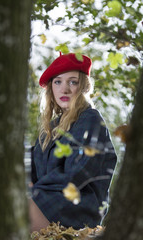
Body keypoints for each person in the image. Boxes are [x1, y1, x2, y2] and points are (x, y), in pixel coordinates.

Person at [29, 52, 117, 232]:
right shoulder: (52, 128)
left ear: (84, 87)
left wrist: (32, 190)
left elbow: (74, 174)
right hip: (47, 199)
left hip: (76, 207)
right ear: (51, 88)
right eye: (58, 82)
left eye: (73, 82)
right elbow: (31, 164)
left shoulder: (90, 118)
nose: (64, 89)